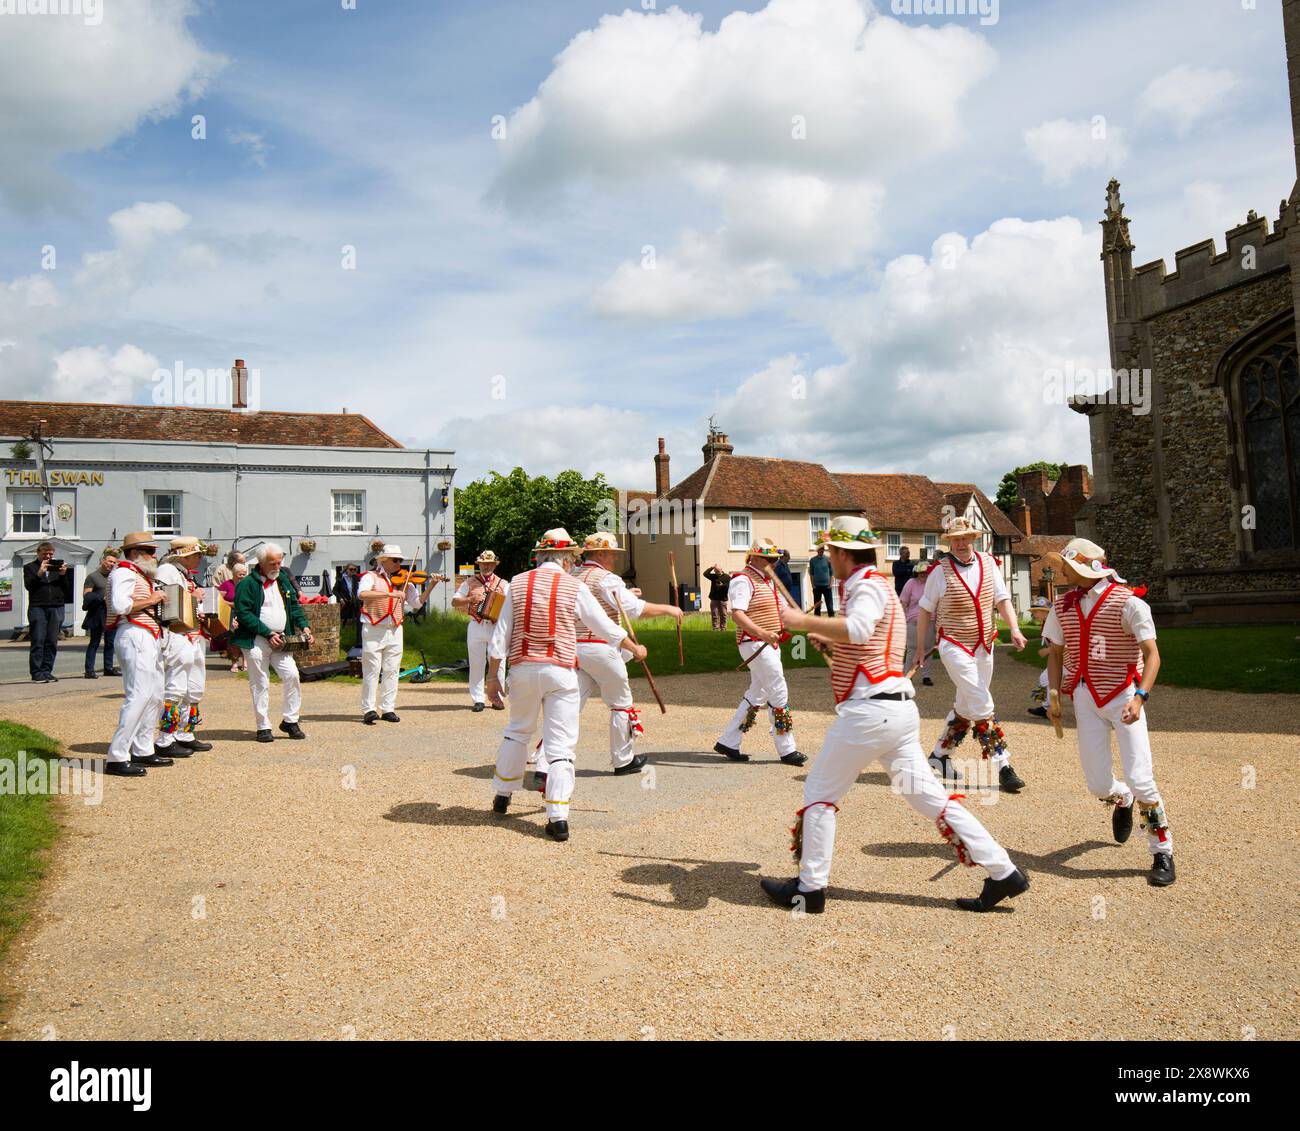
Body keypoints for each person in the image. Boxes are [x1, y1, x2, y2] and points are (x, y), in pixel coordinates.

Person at [758, 516, 1030, 914]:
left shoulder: (866, 585)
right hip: (897, 712)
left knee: (819, 793)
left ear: (844, 553)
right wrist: (829, 635)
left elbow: (859, 629)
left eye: (832, 550)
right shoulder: (878, 584)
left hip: (869, 714)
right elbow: (861, 642)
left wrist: (802, 622)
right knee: (930, 798)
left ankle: (810, 888)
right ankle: (1004, 871)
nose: (829, 557)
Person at [485, 528, 646, 842]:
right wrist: (633, 647)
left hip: (522, 667)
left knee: (518, 730)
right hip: (560, 670)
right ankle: (558, 818)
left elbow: (499, 637)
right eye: (572, 558)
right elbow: (604, 626)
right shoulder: (572, 586)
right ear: (568, 558)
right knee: (561, 744)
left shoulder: (517, 582)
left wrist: (493, 677)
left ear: (540, 555)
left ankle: (503, 795)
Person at [1042, 538, 1174, 887]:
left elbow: (1152, 654)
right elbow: (1055, 652)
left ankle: (1162, 849)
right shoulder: (1062, 606)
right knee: (1097, 783)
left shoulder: (1129, 604)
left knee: (1141, 776)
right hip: (1085, 696)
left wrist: (1141, 697)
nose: (1061, 571)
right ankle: (1121, 798)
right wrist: (1054, 692)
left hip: (1123, 696)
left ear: (1083, 569)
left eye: (1065, 566)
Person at [532, 531, 682, 786]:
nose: (614, 559)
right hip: (600, 648)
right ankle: (623, 760)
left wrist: (627, 595)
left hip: (572, 648)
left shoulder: (572, 575)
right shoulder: (608, 578)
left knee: (566, 707)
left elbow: (613, 601)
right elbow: (635, 611)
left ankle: (544, 764)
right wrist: (669, 609)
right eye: (611, 553)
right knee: (620, 702)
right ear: (600, 553)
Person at [912, 518, 1027, 792]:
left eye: (966, 537)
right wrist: (919, 649)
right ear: (949, 542)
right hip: (953, 643)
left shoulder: (989, 563)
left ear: (973, 539)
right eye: (956, 539)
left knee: (966, 704)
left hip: (984, 643)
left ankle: (939, 755)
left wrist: (1014, 628)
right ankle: (1004, 765)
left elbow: (1002, 599)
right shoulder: (939, 572)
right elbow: (926, 611)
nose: (961, 543)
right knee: (980, 699)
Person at [712, 538, 807, 767]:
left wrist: (806, 621)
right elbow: (737, 614)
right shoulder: (743, 580)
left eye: (775, 559)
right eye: (770, 559)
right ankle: (787, 749)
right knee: (778, 689)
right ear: (755, 557)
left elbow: (782, 609)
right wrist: (763, 633)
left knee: (758, 693)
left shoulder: (768, 580)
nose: (774, 563)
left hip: (768, 643)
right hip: (753, 643)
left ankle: (729, 741)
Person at [231, 543, 314, 743]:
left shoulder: (283, 579)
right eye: (272, 563)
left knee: (292, 675)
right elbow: (244, 614)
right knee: (260, 682)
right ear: (260, 563)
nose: (277, 566)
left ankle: (290, 721)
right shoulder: (247, 584)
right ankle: (263, 726)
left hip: (282, 640)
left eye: (279, 562)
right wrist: (267, 633)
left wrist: (304, 626)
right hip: (256, 639)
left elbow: (294, 606)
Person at [104, 532, 170, 776]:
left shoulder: (137, 574)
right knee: (139, 695)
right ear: (134, 553)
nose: (154, 556)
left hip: (146, 634)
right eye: (149, 552)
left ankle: (143, 748)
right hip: (134, 632)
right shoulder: (123, 571)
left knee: (154, 695)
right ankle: (117, 755)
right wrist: (153, 599)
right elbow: (121, 606)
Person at [358, 545, 442, 724]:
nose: (399, 564)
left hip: (395, 628)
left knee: (392, 670)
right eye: (395, 560)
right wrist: (390, 594)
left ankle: (388, 708)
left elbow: (417, 604)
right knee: (372, 670)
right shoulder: (369, 576)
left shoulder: (406, 582)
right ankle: (369, 709)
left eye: (400, 561)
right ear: (383, 560)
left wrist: (432, 585)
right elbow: (362, 594)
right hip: (373, 627)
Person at [152, 536, 213, 758]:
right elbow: (166, 604)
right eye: (196, 554)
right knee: (176, 687)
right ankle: (165, 739)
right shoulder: (166, 571)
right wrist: (193, 598)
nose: (199, 558)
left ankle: (185, 733)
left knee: (194, 687)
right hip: (177, 634)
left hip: (193, 635)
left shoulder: (183, 574)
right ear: (183, 555)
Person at [451, 550, 509, 712]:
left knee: (498, 661)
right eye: (483, 564)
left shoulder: (503, 584)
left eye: (489, 564)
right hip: (475, 625)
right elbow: (454, 602)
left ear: (495, 565)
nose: (486, 566)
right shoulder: (469, 582)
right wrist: (469, 599)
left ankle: (497, 698)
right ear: (479, 565)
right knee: (476, 663)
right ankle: (478, 699)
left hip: (495, 626)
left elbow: (512, 605)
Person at [23, 541, 73, 682]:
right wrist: (39, 573)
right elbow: (29, 586)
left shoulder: (56, 568)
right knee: (38, 640)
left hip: (56, 606)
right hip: (38, 607)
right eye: (45, 554)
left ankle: (47, 670)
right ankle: (36, 673)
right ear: (38, 553)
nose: (48, 556)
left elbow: (67, 590)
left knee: (52, 641)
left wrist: (63, 575)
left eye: (51, 554)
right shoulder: (30, 567)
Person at [81, 548, 121, 678]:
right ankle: (89, 670)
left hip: (111, 613)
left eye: (114, 562)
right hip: (97, 613)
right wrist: (101, 597)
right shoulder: (93, 576)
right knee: (95, 642)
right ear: (103, 561)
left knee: (110, 642)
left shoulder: (114, 577)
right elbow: (86, 595)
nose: (111, 564)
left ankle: (108, 668)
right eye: (109, 561)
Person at [898, 559, 932, 685]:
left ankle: (926, 676)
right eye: (921, 572)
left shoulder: (932, 584)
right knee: (912, 649)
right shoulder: (911, 583)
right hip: (913, 621)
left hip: (930, 621)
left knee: (928, 650)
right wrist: (906, 617)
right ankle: (908, 676)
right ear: (917, 573)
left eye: (925, 572)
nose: (923, 574)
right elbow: (903, 601)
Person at [218, 562, 249, 671]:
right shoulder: (227, 584)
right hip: (230, 614)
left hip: (245, 614)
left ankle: (245, 663)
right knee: (233, 639)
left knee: (245, 638)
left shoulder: (247, 584)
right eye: (239, 574)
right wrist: (231, 604)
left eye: (244, 574)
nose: (242, 576)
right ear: (233, 574)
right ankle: (234, 663)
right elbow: (219, 599)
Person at [702, 563, 731, 630]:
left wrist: (722, 585)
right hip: (714, 598)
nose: (717, 573)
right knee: (714, 614)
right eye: (715, 571)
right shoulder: (713, 576)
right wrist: (711, 567)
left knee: (723, 615)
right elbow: (705, 574)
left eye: (718, 571)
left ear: (721, 569)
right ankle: (715, 628)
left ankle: (723, 628)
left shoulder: (727, 577)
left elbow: (729, 586)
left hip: (723, 599)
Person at [809, 543, 834, 616]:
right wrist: (813, 585)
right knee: (817, 608)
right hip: (817, 587)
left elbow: (832, 573)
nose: (821, 550)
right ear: (817, 550)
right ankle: (817, 624)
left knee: (830, 607)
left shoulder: (828, 559)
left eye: (822, 549)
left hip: (827, 587)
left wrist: (831, 584)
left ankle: (832, 622)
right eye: (820, 549)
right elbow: (811, 574)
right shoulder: (812, 560)